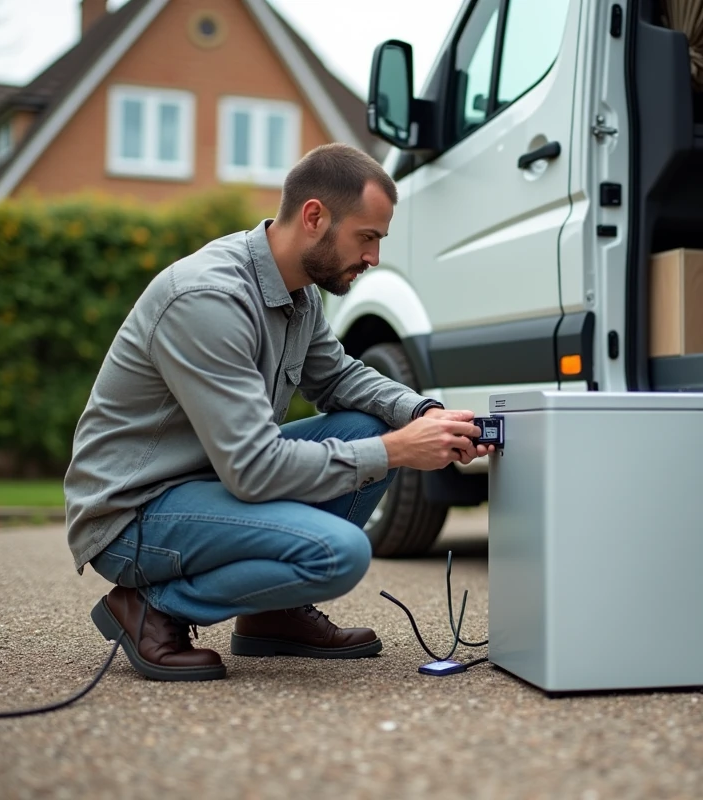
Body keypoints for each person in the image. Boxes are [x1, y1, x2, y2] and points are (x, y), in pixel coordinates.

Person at [63, 143, 493, 682]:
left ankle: (273, 612)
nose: (374, 258)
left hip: (210, 485)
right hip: (135, 514)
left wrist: (425, 414)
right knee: (340, 553)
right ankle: (149, 608)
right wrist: (395, 451)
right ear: (314, 217)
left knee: (376, 422)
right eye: (367, 237)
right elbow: (254, 469)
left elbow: (339, 377)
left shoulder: (298, 294)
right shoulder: (207, 299)